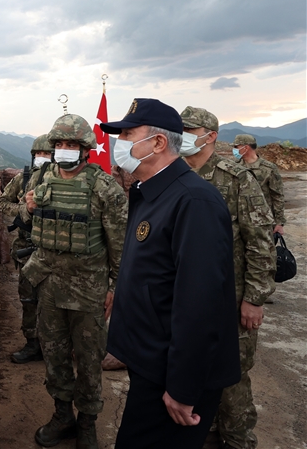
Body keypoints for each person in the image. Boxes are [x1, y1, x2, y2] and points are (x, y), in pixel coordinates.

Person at [101, 98, 240, 449]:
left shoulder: (194, 201)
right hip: (150, 361)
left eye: (128, 134)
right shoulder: (148, 193)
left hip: (173, 375)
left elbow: (201, 303)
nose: (121, 143)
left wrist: (183, 387)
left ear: (159, 143)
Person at [19, 114, 127, 449]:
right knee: (54, 356)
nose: (65, 150)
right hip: (49, 284)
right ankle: (62, 415)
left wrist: (114, 288)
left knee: (90, 358)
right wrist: (30, 206)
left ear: (85, 149)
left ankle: (88, 423)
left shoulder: (103, 187)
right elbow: (24, 219)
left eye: (72, 145)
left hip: (88, 289)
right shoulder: (42, 178)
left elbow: (120, 245)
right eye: (60, 144)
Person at [179, 106, 276, 449]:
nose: (184, 136)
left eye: (190, 130)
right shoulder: (174, 176)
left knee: (232, 376)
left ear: (210, 136)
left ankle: (236, 438)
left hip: (231, 298)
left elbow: (261, 241)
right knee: (194, 368)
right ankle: (202, 428)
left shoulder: (235, 179)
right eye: (181, 130)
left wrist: (254, 298)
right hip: (188, 298)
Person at [0, 134, 53, 364]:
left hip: (53, 250)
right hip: (27, 248)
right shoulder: (23, 178)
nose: (42, 158)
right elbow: (2, 203)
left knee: (53, 301)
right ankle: (33, 344)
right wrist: (24, 211)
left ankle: (54, 347)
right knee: (29, 299)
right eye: (39, 154)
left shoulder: (64, 182)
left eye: (47, 154)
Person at [233, 133, 286, 236]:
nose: (234, 149)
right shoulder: (234, 166)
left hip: (262, 221)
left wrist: (279, 222)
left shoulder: (268, 168)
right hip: (239, 221)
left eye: (236, 147)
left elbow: (277, 196)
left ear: (246, 147)